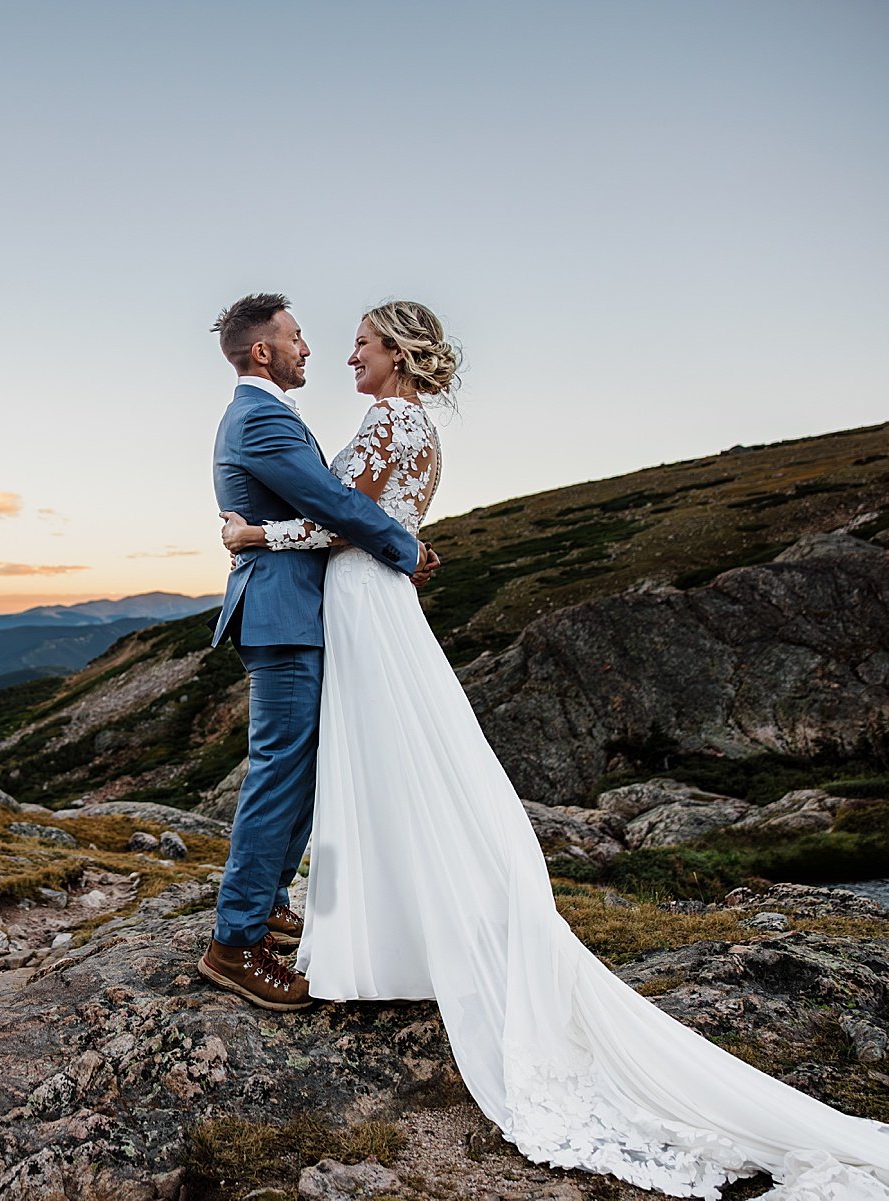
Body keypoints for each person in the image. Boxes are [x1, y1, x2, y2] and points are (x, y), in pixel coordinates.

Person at [219, 299, 889, 1199]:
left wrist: (257, 533)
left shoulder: (385, 420)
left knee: (372, 772)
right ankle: (335, 925)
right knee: (369, 773)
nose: (341, 352)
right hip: (359, 602)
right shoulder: (405, 425)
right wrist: (396, 541)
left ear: (398, 355)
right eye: (325, 340)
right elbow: (367, 514)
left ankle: (341, 929)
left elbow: (344, 516)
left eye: (361, 343)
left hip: (359, 601)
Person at [200, 292, 439, 1012]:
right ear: (264, 350)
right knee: (281, 773)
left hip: (297, 610)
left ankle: (266, 904)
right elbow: (334, 505)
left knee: (299, 771)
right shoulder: (263, 416)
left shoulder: (269, 411)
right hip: (285, 616)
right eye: (298, 337)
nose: (313, 349)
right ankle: (235, 942)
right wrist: (406, 548)